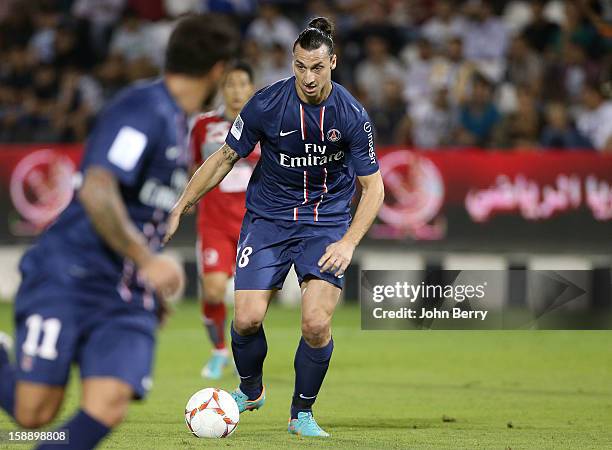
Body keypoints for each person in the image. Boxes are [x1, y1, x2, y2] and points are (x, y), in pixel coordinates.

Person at [0, 14, 238, 450]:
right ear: (218, 70)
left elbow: (139, 208)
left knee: (108, 405)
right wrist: (147, 261)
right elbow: (97, 189)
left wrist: (141, 276)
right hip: (69, 273)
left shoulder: (181, 122)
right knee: (34, 415)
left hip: (123, 291)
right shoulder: (144, 110)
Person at [164, 17, 385, 438]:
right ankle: (250, 389)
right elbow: (224, 158)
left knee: (316, 324)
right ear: (292, 63)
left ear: (333, 63)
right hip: (268, 220)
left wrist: (350, 242)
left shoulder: (352, 115)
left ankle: (301, 413)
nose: (308, 77)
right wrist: (181, 206)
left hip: (325, 223)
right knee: (246, 319)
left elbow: (374, 189)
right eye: (300, 66)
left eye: (317, 67)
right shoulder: (266, 104)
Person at [190, 61, 259, 379]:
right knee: (215, 291)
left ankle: (245, 359)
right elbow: (193, 168)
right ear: (222, 89)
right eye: (229, 84)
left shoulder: (267, 124)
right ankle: (219, 352)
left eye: (241, 84)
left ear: (252, 88)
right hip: (215, 223)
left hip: (256, 224)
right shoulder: (203, 126)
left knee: (252, 306)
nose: (235, 90)